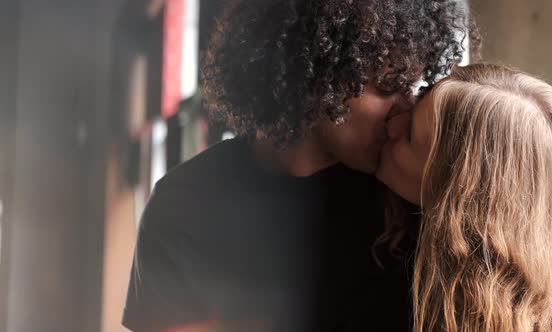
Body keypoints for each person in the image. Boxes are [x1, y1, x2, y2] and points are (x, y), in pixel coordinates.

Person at [122, 0, 474, 331]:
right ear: (318, 74)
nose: (406, 109)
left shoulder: (408, 196)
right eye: (387, 87)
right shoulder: (184, 206)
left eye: (411, 86)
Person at [376, 63, 552, 332]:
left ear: (458, 196)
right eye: (417, 101)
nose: (391, 123)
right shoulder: (394, 227)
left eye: (409, 136)